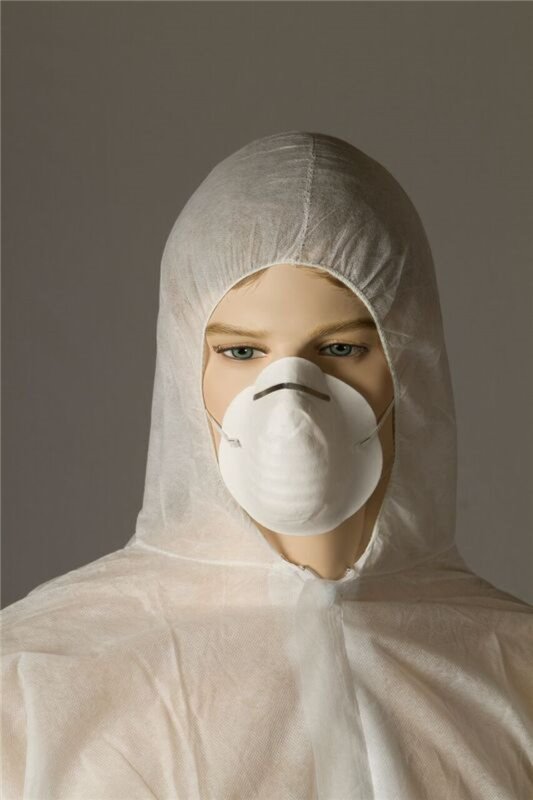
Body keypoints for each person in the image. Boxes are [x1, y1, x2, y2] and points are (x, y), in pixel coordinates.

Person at [2, 130, 532, 799]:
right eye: (241, 352)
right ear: (185, 366)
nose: (291, 400)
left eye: (340, 349)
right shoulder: (36, 682)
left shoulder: (511, 669)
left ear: (411, 364)